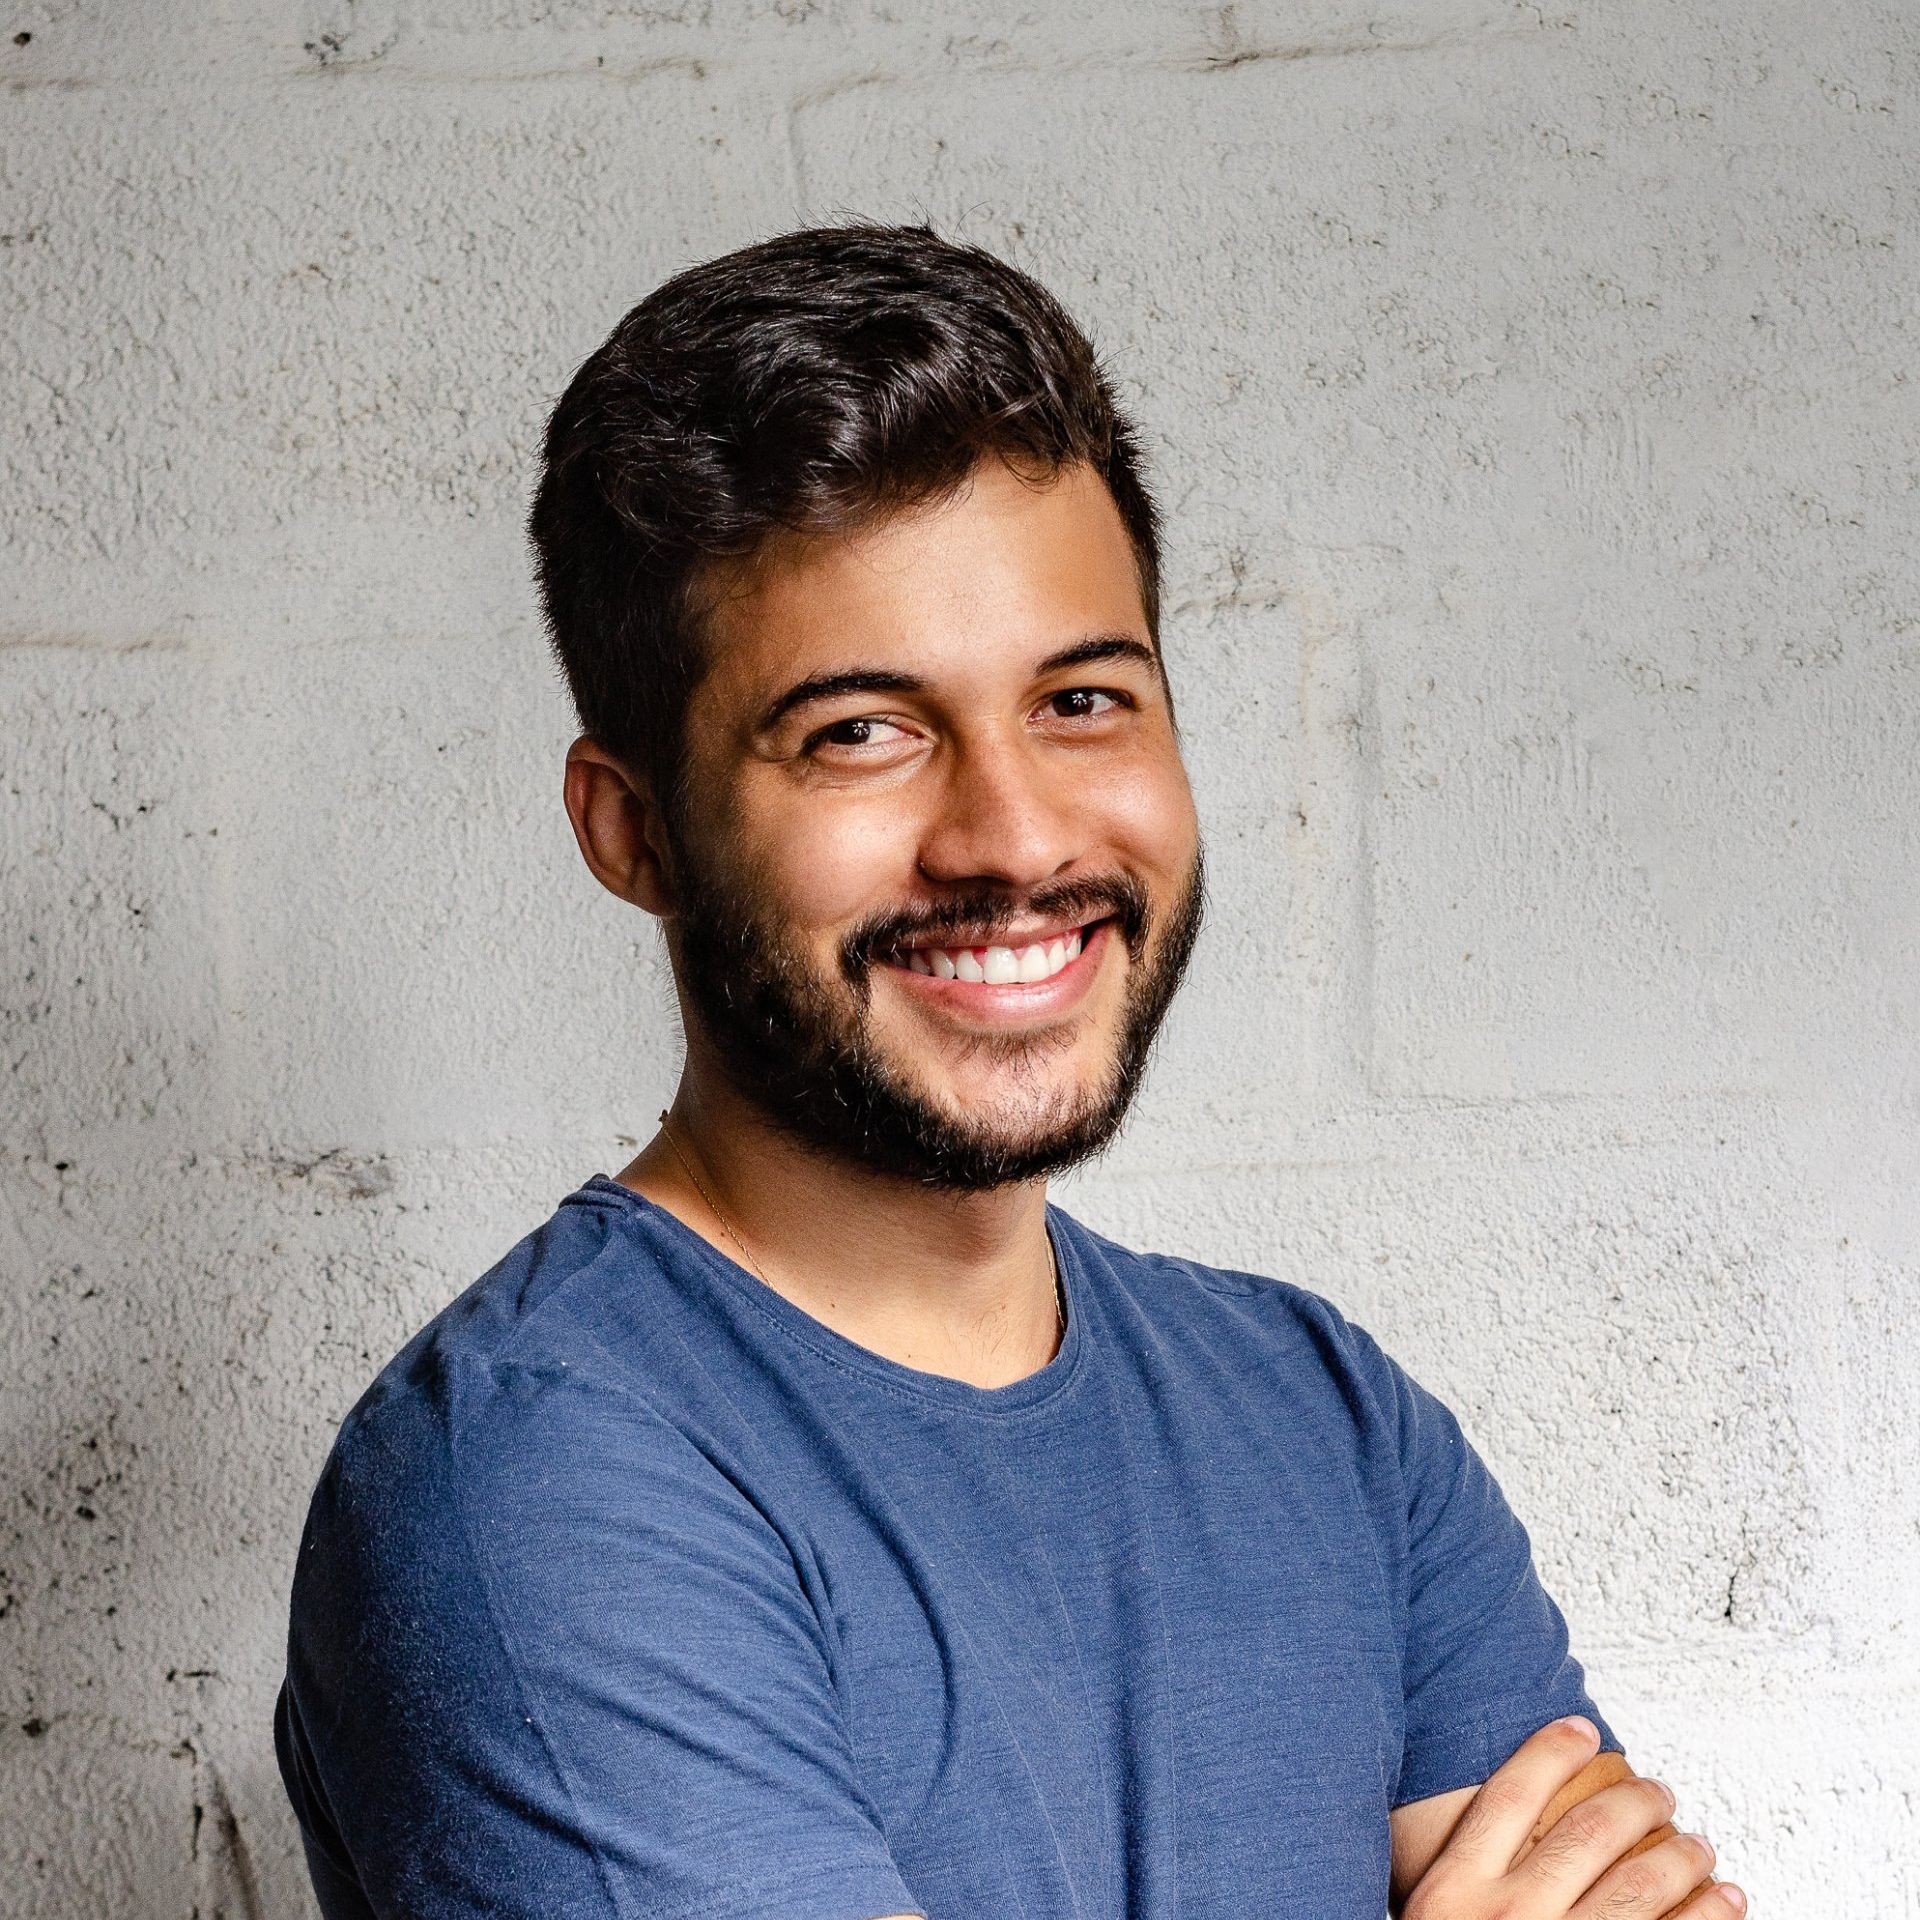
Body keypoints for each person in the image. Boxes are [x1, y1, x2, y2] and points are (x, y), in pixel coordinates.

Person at [272, 223, 1741, 1920]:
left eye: (1084, 700)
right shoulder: (537, 1485)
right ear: (636, 830)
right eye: (860, 732)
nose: (1017, 835)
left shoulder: (1328, 1422)